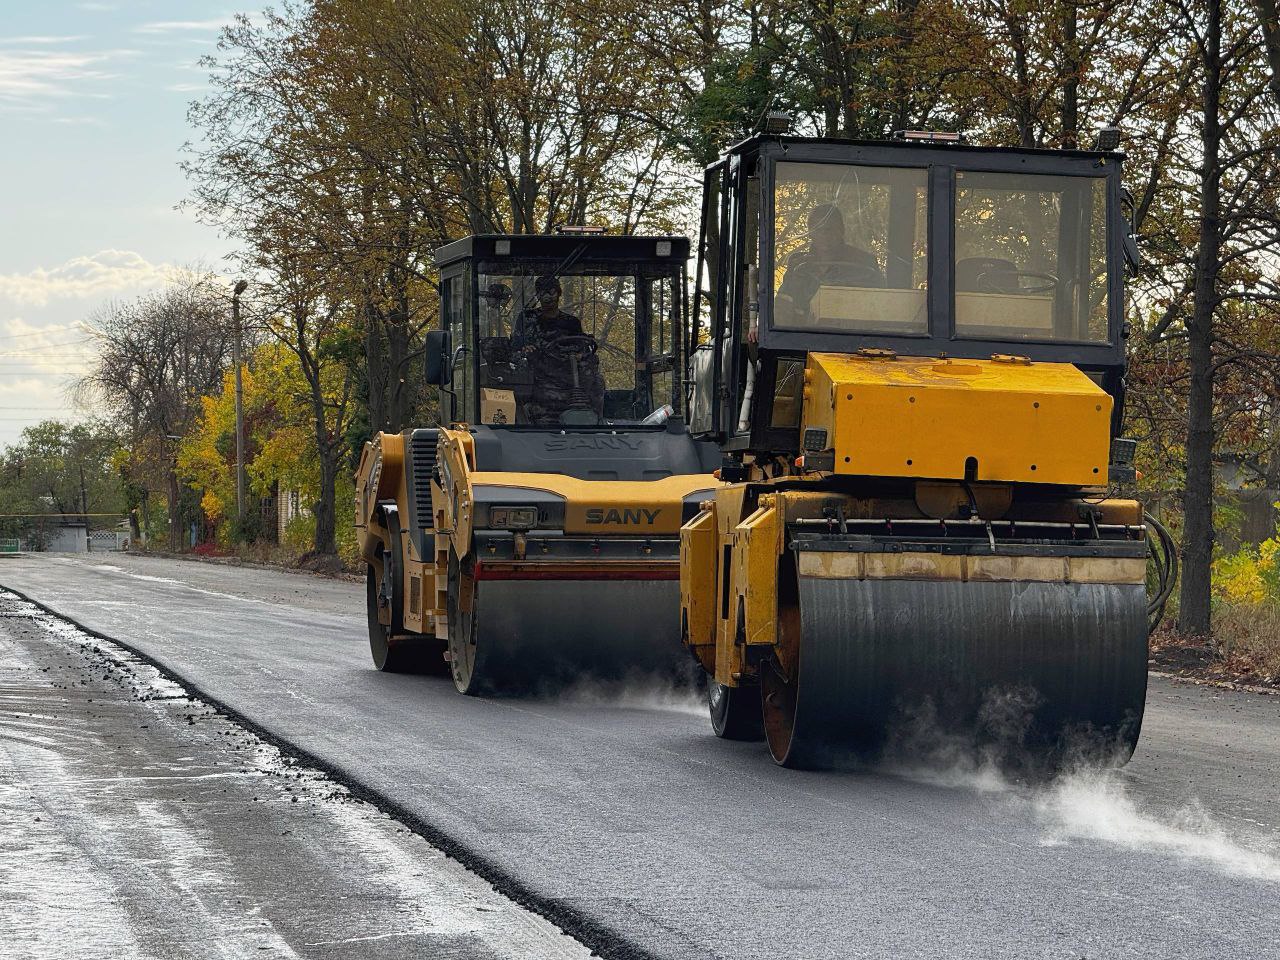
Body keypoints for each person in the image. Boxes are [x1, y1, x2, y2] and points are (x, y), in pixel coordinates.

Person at [773, 204, 883, 327]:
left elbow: (880, 307)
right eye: (818, 229)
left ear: (842, 230)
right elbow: (782, 308)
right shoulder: (799, 266)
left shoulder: (865, 264)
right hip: (804, 339)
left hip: (853, 337)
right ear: (810, 233)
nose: (824, 234)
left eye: (830, 229)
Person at [521, 275, 604, 424]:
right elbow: (517, 346)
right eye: (542, 293)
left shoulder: (571, 322)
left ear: (559, 293)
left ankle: (596, 419)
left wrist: (579, 355)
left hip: (568, 372)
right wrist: (527, 350)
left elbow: (581, 346)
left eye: (551, 292)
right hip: (540, 373)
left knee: (596, 378)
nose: (547, 297)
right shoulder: (528, 319)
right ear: (538, 295)